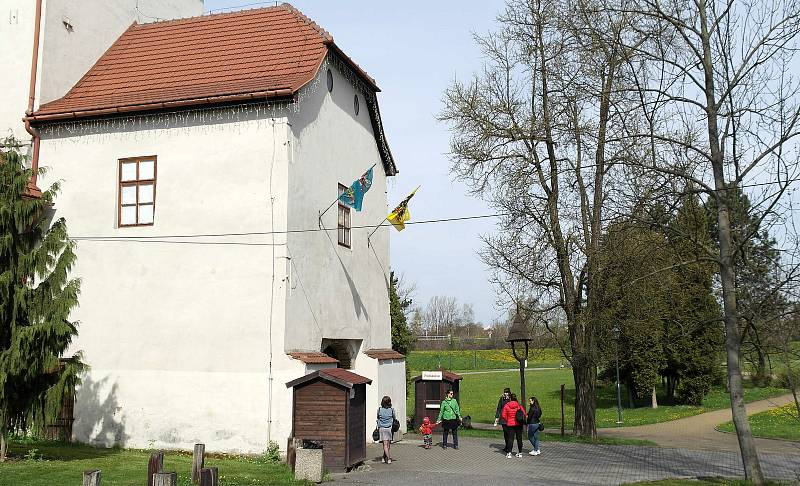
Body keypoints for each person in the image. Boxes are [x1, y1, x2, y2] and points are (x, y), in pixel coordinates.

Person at [500, 393, 526, 458]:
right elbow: (524, 413)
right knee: (519, 438)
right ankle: (520, 453)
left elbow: (503, 415)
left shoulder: (507, 405)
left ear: (510, 398)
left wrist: (508, 419)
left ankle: (509, 453)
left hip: (510, 424)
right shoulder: (519, 405)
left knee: (510, 439)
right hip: (519, 424)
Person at [376, 396, 396, 463]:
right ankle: (389, 458)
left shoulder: (379, 409)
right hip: (389, 428)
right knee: (388, 445)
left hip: (382, 428)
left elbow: (378, 417)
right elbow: (394, 418)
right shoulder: (392, 410)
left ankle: (383, 457)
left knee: (385, 445)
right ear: (389, 402)